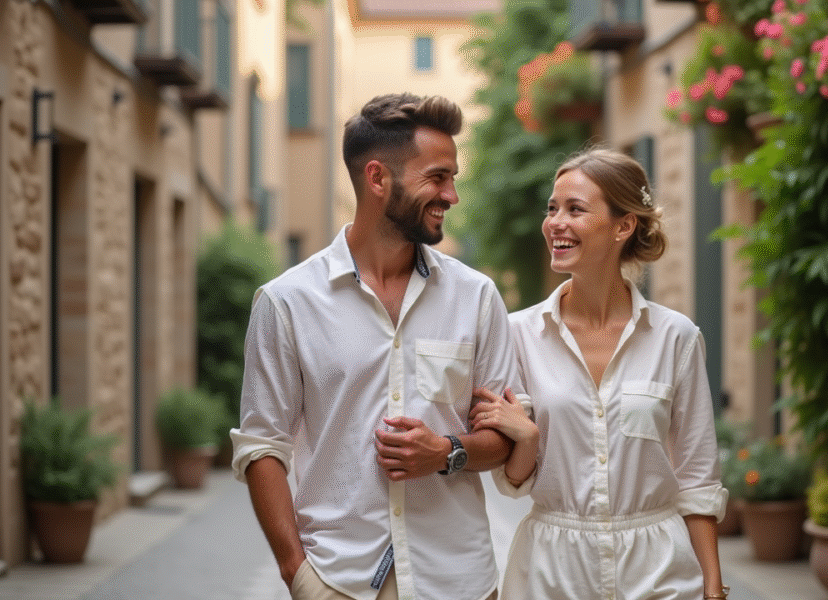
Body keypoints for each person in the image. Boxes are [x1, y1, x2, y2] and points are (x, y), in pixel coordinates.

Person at [231, 93, 521, 600]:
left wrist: (445, 452)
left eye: (452, 178)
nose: (451, 195)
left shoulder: (476, 298)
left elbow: (506, 439)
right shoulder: (287, 303)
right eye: (438, 177)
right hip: (338, 579)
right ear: (378, 178)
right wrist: (297, 573)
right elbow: (262, 446)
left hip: (456, 581)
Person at [470, 148, 729, 600]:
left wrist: (712, 589)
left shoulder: (676, 337)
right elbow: (512, 483)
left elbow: (698, 479)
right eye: (552, 209)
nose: (556, 223)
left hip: (659, 571)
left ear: (623, 226)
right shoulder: (518, 335)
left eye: (575, 209)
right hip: (553, 571)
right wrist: (528, 440)